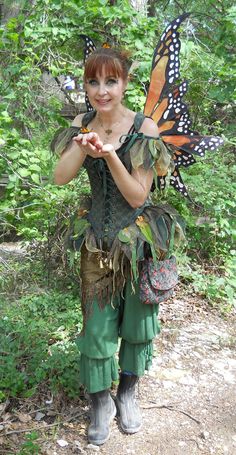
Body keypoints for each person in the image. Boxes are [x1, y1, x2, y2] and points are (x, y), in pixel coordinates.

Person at [52, 47, 182, 446]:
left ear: (125, 83)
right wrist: (81, 143)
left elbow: (138, 196)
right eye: (93, 81)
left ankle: (126, 394)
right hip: (97, 242)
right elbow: (59, 178)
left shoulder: (143, 129)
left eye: (111, 81)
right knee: (96, 328)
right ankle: (99, 403)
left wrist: (109, 155)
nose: (101, 90)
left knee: (137, 324)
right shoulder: (81, 121)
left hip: (137, 242)